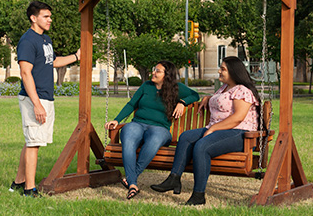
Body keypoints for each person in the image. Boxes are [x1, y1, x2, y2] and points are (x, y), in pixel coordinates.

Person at [150, 56, 261, 205]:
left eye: (223, 69)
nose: (219, 71)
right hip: (218, 130)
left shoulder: (242, 90)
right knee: (186, 137)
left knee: (202, 146)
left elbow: (238, 118)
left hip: (240, 133)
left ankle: (198, 195)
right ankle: (174, 179)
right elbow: (224, 100)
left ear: (234, 72)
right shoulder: (224, 88)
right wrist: (208, 98)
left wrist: (214, 128)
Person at [9, 1, 81, 197]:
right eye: (45, 16)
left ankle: (19, 182)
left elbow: (53, 61)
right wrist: (37, 104)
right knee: (33, 143)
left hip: (46, 97)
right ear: (34, 18)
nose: (50, 20)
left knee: (33, 140)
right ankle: (29, 190)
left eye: (50, 16)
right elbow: (25, 73)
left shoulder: (45, 39)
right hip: (35, 98)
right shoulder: (28, 41)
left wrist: (76, 55)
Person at [104, 60, 199, 200]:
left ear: (167, 75)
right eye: (154, 69)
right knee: (128, 137)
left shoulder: (176, 88)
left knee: (154, 140)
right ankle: (132, 184)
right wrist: (117, 120)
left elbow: (195, 95)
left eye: (158, 71)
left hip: (160, 129)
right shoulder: (146, 86)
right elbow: (131, 104)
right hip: (138, 123)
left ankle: (131, 177)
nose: (153, 73)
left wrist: (182, 102)